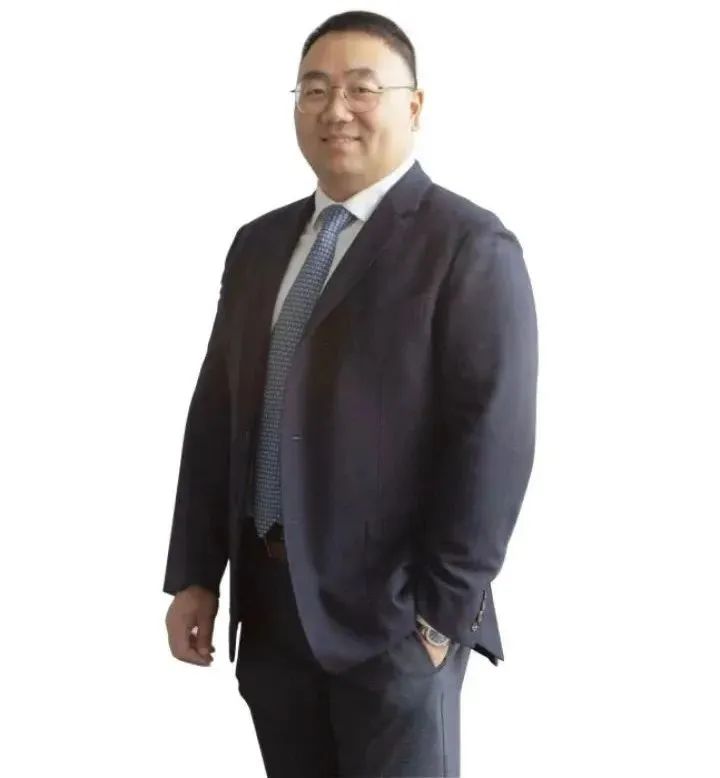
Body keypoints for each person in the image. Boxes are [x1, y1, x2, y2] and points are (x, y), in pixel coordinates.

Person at [163, 10, 538, 777]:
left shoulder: (468, 246)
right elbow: (218, 415)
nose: (335, 109)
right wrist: (197, 573)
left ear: (414, 106)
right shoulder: (259, 244)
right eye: (315, 89)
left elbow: (492, 443)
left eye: (362, 88)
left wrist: (438, 618)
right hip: (270, 612)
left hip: (393, 626)